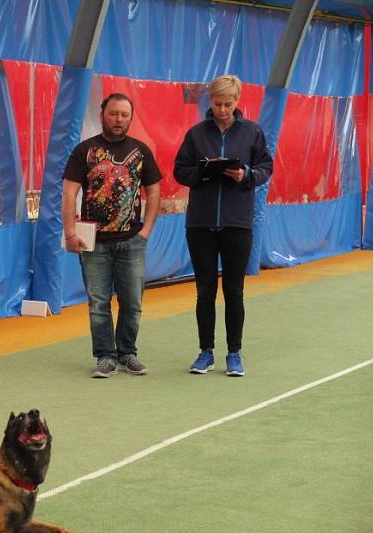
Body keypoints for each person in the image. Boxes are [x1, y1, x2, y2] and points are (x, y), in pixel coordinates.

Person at [173, 75, 273, 377]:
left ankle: (234, 353)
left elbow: (265, 167)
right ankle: (205, 352)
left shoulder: (253, 133)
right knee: (205, 291)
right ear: (210, 102)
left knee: (234, 290)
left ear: (237, 101)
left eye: (228, 104)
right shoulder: (196, 134)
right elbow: (180, 170)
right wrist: (204, 172)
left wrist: (246, 175)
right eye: (217, 104)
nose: (222, 109)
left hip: (237, 223)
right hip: (200, 224)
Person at [62, 93, 162, 379]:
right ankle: (105, 356)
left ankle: (128, 353)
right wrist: (70, 233)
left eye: (124, 115)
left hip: (132, 242)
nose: (119, 120)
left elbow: (154, 191)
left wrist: (145, 231)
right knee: (98, 303)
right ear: (103, 113)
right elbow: (69, 193)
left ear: (130, 118)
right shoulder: (85, 151)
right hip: (94, 243)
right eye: (114, 114)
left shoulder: (141, 152)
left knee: (132, 302)